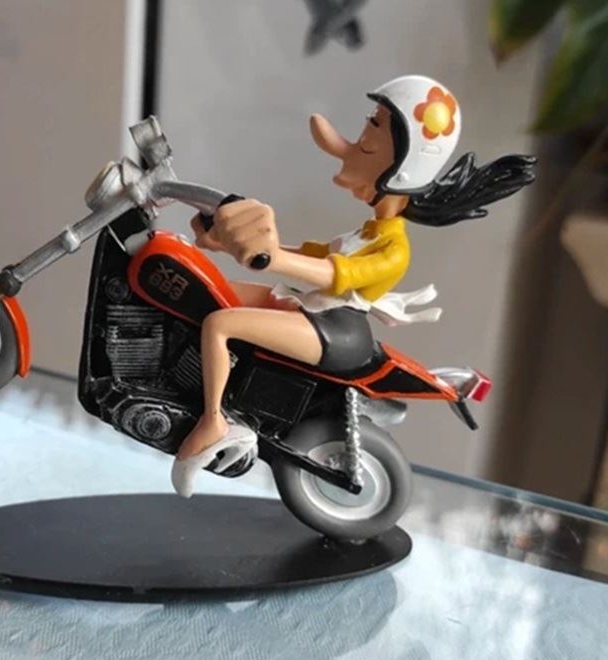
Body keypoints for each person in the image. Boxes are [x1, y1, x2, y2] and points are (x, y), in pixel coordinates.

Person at [171, 74, 536, 497]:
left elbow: (334, 274)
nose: (354, 143)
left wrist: (273, 258)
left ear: (399, 167)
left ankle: (213, 422)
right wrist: (227, 246)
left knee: (220, 324)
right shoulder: (370, 231)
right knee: (213, 288)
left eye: (369, 137)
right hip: (311, 309)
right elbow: (314, 255)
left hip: (335, 331)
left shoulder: (394, 249)